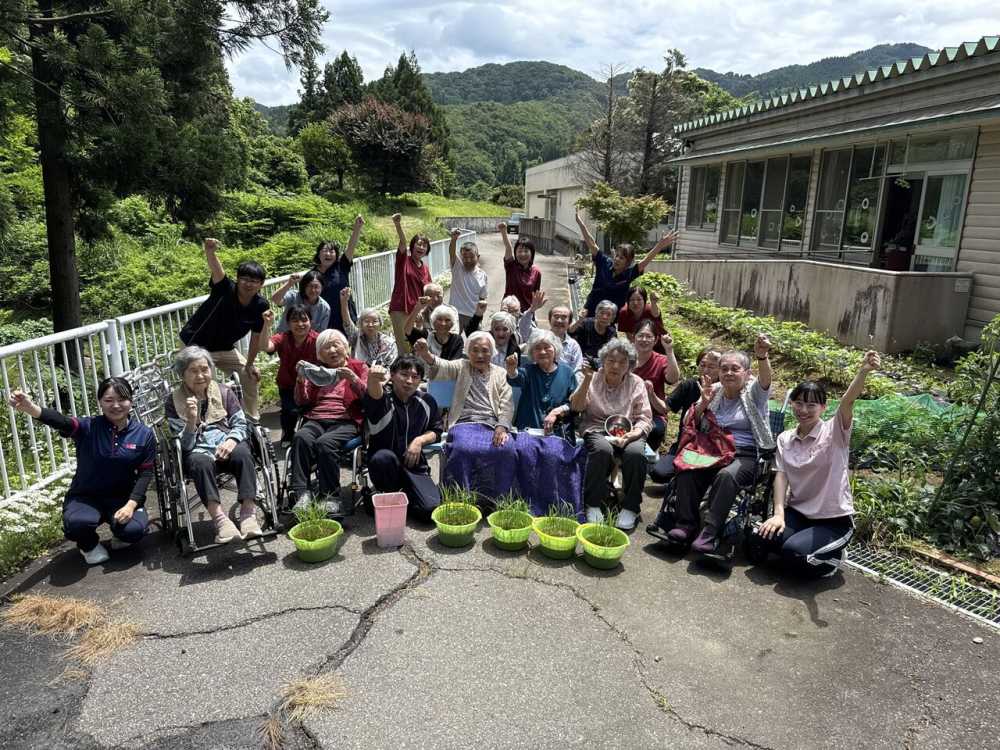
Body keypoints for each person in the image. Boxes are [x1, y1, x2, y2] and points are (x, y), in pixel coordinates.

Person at [752, 351, 881, 577]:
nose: (803, 410)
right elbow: (781, 477)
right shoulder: (785, 438)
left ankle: (833, 559)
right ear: (791, 403)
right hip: (799, 513)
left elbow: (847, 401)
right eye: (799, 403)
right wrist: (778, 514)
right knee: (757, 543)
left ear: (823, 407)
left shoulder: (835, 432)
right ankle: (800, 543)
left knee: (794, 556)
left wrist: (863, 372)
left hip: (833, 521)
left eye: (811, 405)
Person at [8, 379, 155, 565]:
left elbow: (145, 474)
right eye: (109, 400)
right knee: (77, 524)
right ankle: (89, 545)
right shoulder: (88, 427)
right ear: (100, 402)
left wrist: (131, 505)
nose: (116, 405)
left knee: (134, 531)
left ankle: (121, 535)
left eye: (122, 399)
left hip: (122, 498)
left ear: (131, 401)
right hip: (86, 496)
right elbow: (62, 421)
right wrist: (30, 408)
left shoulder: (144, 434)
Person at [668, 335, 774, 554]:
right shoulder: (713, 390)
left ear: (747, 373)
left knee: (726, 476)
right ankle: (685, 525)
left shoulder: (754, 393)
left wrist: (762, 356)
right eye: (724, 368)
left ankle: (710, 532)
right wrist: (702, 405)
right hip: (712, 449)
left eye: (735, 369)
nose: (728, 373)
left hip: (743, 454)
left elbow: (766, 380)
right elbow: (692, 423)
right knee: (687, 468)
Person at [165, 347, 261, 543]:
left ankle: (248, 514)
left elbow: (241, 422)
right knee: (199, 463)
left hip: (227, 443)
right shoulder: (173, 402)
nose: (200, 375)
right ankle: (221, 521)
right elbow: (184, 446)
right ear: (182, 374)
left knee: (243, 452)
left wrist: (232, 440)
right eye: (193, 370)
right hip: (198, 451)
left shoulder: (224, 392)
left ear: (211, 369)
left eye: (204, 369)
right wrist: (191, 421)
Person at [413, 332, 516, 507]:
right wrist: (426, 354)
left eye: (485, 350)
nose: (480, 355)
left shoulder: (500, 373)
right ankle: (459, 499)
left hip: (492, 423)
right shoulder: (462, 366)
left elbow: (507, 403)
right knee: (463, 448)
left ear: (492, 353)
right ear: (468, 352)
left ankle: (495, 499)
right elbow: (442, 366)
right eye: (474, 350)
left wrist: (502, 426)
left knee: (506, 449)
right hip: (464, 423)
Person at [179, 238, 268, 421]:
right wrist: (210, 252)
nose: (248, 284)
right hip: (195, 345)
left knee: (250, 375)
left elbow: (256, 337)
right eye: (244, 279)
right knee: (198, 382)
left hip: (225, 348)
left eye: (254, 280)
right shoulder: (225, 289)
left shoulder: (260, 305)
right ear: (237, 279)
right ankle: (195, 423)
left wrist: (250, 363)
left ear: (261, 284)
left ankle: (252, 419)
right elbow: (217, 270)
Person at [570, 338, 652, 530]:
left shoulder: (636, 382)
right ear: (603, 361)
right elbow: (577, 407)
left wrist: (633, 435)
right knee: (602, 450)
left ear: (630, 365)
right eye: (610, 360)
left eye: (622, 362)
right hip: (595, 427)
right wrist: (587, 380)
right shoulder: (592, 376)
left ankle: (631, 507)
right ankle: (593, 503)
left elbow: (644, 417)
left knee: (636, 454)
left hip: (627, 430)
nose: (615, 366)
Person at [288, 329, 369, 512]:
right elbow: (302, 401)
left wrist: (354, 380)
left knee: (326, 443)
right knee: (301, 437)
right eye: (326, 347)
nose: (332, 350)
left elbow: (370, 398)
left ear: (346, 348)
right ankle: (301, 494)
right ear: (319, 354)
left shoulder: (359, 367)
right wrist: (300, 380)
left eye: (336, 345)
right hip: (316, 418)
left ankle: (330, 496)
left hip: (346, 420)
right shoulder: (315, 370)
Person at [363, 356, 444, 520]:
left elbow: (436, 431)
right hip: (386, 466)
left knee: (430, 511)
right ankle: (386, 493)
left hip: (414, 465)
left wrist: (419, 441)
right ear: (392, 375)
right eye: (404, 374)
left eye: (415, 377)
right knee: (382, 458)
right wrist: (372, 377)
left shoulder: (427, 401)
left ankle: (397, 498)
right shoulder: (383, 398)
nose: (409, 381)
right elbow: (374, 394)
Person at [576, 210, 677, 316]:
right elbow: (592, 244)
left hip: (610, 317)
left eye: (622, 258)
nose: (617, 259)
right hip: (590, 311)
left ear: (628, 262)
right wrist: (580, 224)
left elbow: (646, 260)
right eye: (617, 256)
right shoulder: (605, 262)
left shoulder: (630, 273)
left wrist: (660, 246)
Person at [648, 347, 723, 484]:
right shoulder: (690, 385)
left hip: (713, 447)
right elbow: (665, 408)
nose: (706, 370)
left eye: (712, 366)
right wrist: (651, 393)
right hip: (685, 444)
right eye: (703, 365)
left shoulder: (726, 390)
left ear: (721, 368)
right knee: (658, 473)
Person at [258, 306, 319, 445]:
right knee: (290, 411)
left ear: (310, 321)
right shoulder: (283, 337)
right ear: (288, 323)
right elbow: (265, 346)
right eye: (295, 320)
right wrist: (266, 325)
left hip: (312, 385)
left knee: (310, 412)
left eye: (304, 320)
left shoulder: (318, 339)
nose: (300, 324)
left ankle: (307, 437)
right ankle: (288, 434)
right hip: (288, 384)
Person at [505, 330, 576, 435]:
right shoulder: (528, 370)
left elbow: (574, 403)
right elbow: (515, 379)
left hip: (558, 432)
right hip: (528, 431)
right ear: (532, 353)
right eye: (537, 348)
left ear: (555, 349)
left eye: (547, 347)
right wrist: (511, 369)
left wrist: (557, 411)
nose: (542, 352)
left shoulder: (567, 372)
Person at [631, 319, 680, 451]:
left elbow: (673, 378)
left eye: (649, 336)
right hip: (626, 411)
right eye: (640, 335)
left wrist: (669, 350)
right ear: (633, 337)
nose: (644, 340)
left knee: (655, 430)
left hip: (654, 414)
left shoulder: (660, 360)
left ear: (656, 340)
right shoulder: (625, 358)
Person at [388, 213, 432, 350]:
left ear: (427, 250)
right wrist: (398, 224)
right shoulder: (404, 261)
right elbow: (402, 243)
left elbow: (429, 291)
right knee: (405, 346)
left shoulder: (425, 268)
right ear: (412, 246)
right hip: (401, 308)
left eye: (424, 246)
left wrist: (424, 308)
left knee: (417, 346)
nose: (421, 247)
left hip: (418, 311)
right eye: (419, 244)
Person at [314, 214, 364, 333]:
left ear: (336, 255)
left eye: (332, 251)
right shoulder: (312, 275)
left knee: (348, 348)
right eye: (325, 251)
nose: (328, 254)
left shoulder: (341, 266)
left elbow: (351, 247)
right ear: (318, 254)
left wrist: (357, 228)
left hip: (346, 317)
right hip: (323, 321)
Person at [339, 288, 398, 368]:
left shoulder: (389, 343)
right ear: (360, 324)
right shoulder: (356, 337)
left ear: (380, 324)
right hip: (359, 375)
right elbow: (347, 323)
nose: (370, 325)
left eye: (374, 321)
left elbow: (391, 366)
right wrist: (344, 302)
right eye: (366, 321)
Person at [447, 228, 488, 331]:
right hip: (455, 314)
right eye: (465, 257)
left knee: (475, 343)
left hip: (473, 315)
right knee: (453, 345)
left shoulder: (483, 275)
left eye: (471, 257)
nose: (468, 260)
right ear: (461, 257)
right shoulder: (457, 267)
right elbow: (451, 251)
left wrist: (480, 316)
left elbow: (482, 298)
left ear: (478, 257)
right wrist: (454, 239)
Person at [499, 221, 541, 311]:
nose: (523, 254)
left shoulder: (536, 272)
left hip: (527, 313)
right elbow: (508, 247)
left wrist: (533, 312)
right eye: (520, 251)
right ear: (515, 253)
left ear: (532, 253)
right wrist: (503, 231)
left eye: (526, 251)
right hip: (508, 312)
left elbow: (535, 296)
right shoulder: (511, 266)